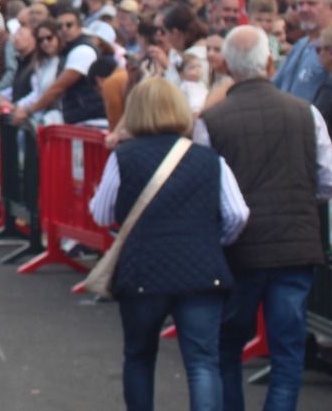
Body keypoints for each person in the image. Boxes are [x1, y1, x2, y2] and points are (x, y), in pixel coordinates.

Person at [197, 26, 332, 411]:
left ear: (225, 65)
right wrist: (298, 201)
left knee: (228, 347)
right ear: (271, 62)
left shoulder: (211, 120)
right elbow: (331, 180)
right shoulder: (305, 113)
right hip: (294, 246)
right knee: (288, 349)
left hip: (238, 248)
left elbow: (204, 187)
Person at [90, 78, 247, 411]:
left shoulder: (123, 158)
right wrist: (213, 240)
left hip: (142, 269)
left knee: (139, 355)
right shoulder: (208, 159)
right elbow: (237, 213)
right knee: (203, 361)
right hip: (201, 269)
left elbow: (102, 213)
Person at [12, 8, 108, 127]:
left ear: (79, 26)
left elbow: (58, 87)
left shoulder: (83, 50)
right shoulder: (65, 52)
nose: (64, 29)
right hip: (76, 118)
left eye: (69, 25)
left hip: (90, 119)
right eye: (60, 26)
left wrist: (29, 110)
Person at [272, 0, 332, 104]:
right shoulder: (299, 45)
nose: (304, 9)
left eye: (312, 4)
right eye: (300, 4)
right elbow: (274, 85)